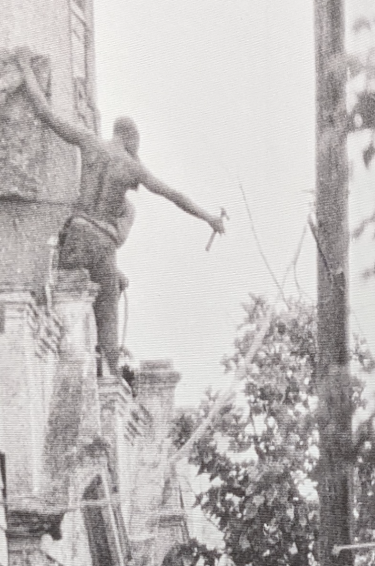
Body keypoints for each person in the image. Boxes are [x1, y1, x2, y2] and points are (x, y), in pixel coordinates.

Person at [13, 51, 226, 370]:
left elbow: (45, 113)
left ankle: (54, 362)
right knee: (108, 318)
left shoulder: (89, 142)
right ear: (132, 140)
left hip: (80, 232)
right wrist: (209, 217)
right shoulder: (131, 166)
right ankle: (109, 375)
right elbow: (173, 194)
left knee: (63, 302)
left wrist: (23, 65)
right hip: (103, 245)